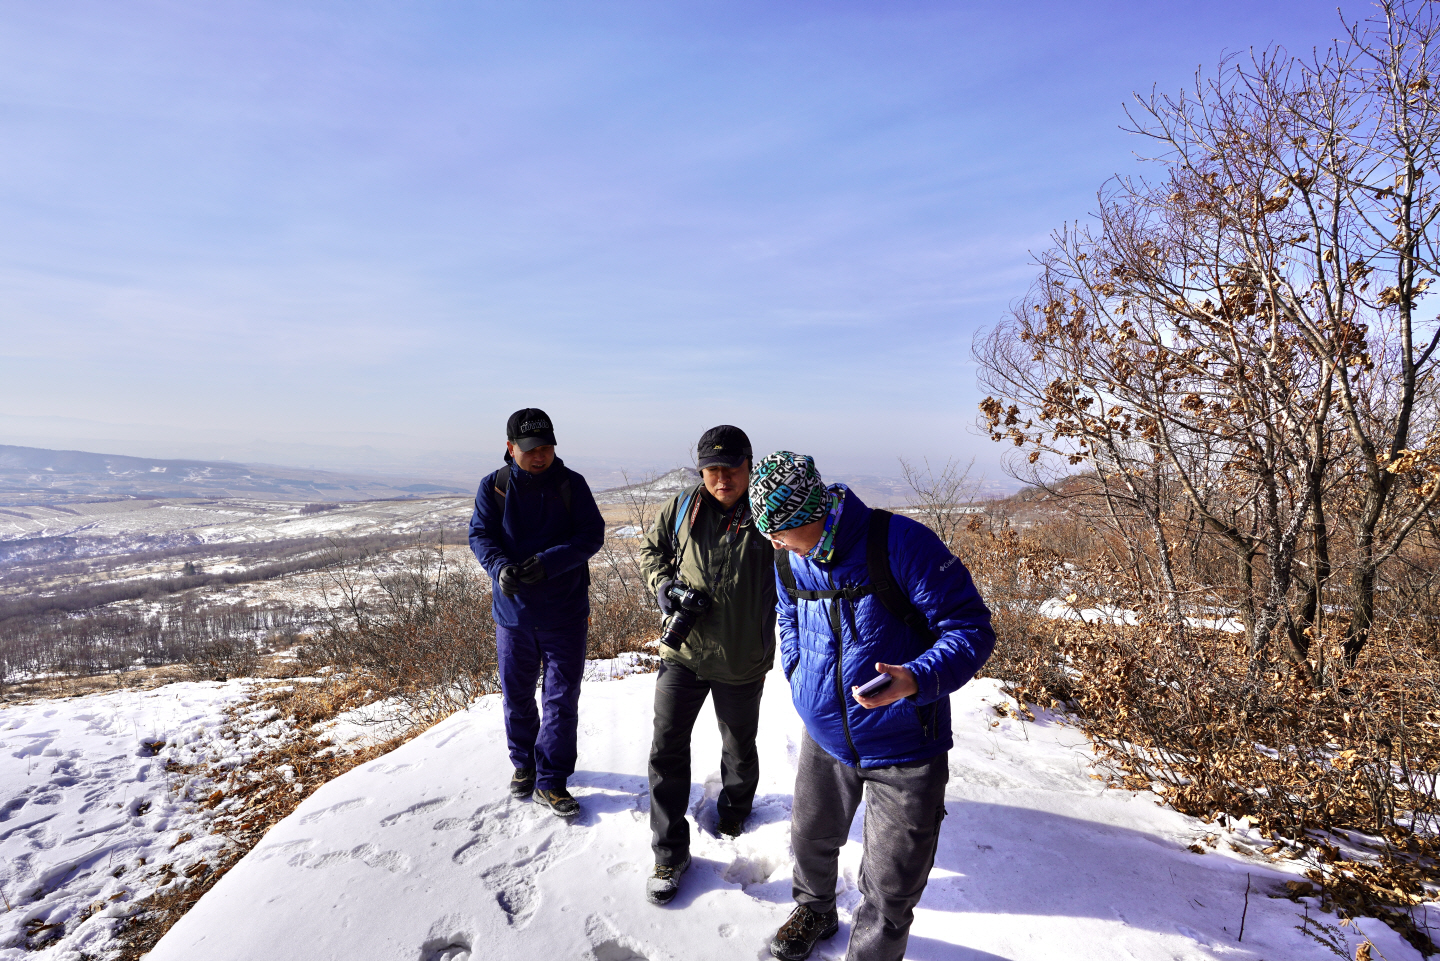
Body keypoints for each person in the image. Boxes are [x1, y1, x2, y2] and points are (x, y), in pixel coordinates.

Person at [749, 451, 995, 961]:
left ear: (808, 514)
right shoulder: (785, 556)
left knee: (890, 885)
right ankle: (815, 909)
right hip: (825, 740)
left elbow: (970, 627)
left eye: (779, 530)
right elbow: (788, 617)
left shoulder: (900, 543)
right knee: (811, 840)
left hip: (905, 746)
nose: (773, 542)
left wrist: (917, 678)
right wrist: (800, 678)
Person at [636, 425, 776, 905]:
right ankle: (669, 853)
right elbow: (651, 551)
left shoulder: (767, 513)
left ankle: (735, 811)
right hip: (684, 652)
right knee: (666, 747)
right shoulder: (681, 508)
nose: (722, 479)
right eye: (712, 469)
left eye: (731, 468)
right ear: (700, 469)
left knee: (739, 745)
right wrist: (663, 586)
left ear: (748, 466)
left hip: (742, 655)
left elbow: (803, 567)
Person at [468, 408, 606, 817]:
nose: (540, 456)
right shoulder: (494, 487)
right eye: (530, 449)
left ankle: (552, 780)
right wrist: (500, 568)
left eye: (545, 447)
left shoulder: (571, 485)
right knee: (517, 696)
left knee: (562, 698)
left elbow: (591, 535)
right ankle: (524, 765)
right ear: (511, 448)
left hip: (565, 612)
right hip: (513, 615)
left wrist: (549, 562)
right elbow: (480, 535)